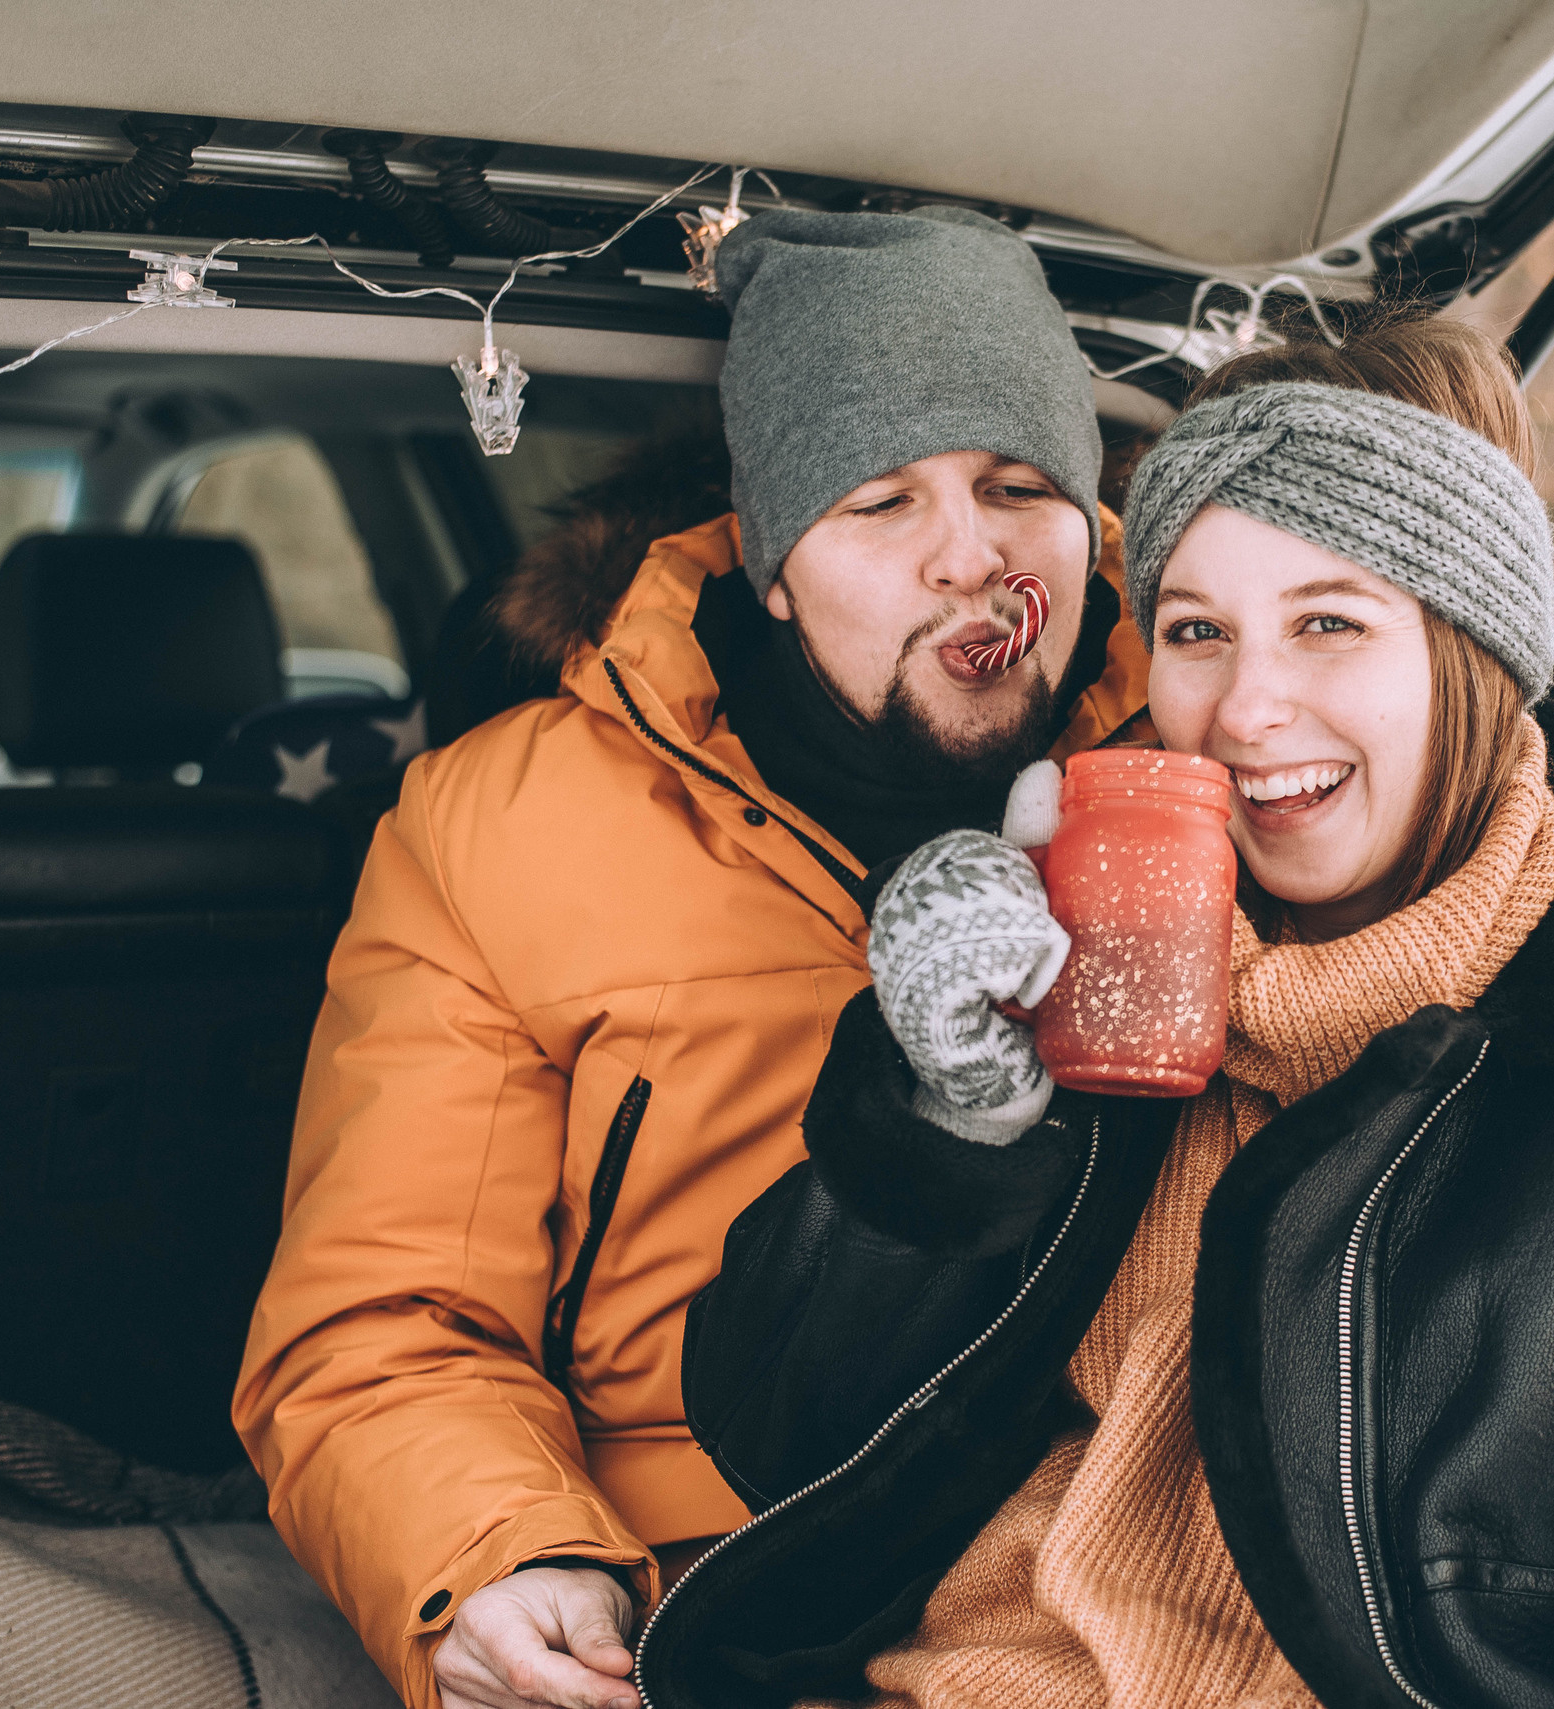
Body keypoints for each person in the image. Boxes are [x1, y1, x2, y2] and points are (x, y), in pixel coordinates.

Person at [652, 311, 1554, 1709]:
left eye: (1329, 622)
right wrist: (942, 1122)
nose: (1248, 706)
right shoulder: (1068, 935)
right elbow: (776, 1433)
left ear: (1472, 649)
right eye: (1196, 630)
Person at [233, 204, 1153, 1709]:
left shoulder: (1217, 748)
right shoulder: (505, 822)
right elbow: (385, 1316)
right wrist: (504, 1553)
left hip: (1109, 1570)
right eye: (881, 503)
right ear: (773, 563)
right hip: (696, 1573)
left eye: (1016, 484)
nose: (970, 557)